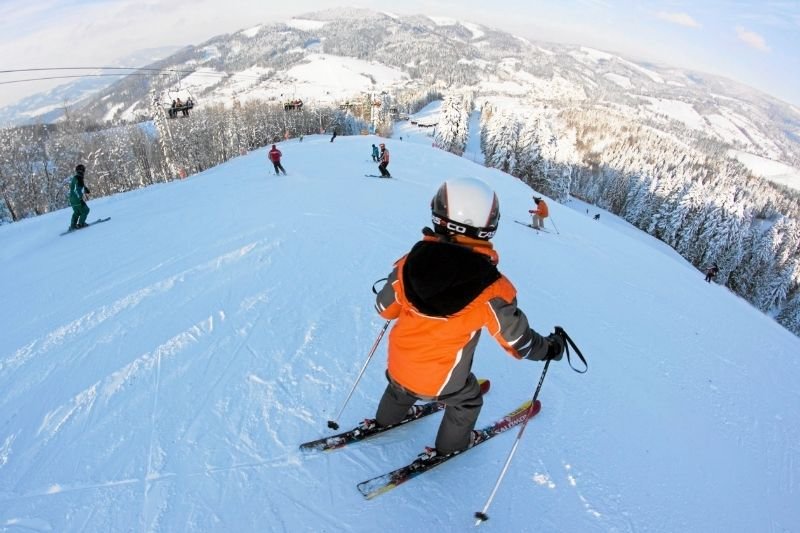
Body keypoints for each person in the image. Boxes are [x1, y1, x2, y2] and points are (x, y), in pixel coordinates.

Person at [371, 177, 565, 457]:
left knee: (400, 387)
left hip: (397, 367)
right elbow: (519, 343)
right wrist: (551, 348)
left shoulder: (409, 262)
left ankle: (385, 420)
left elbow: (383, 308)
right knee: (468, 399)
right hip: (443, 383)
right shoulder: (492, 289)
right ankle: (452, 445)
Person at [68, 164, 91, 230]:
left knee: (77, 212)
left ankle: (73, 225)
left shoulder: (75, 178)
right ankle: (81, 223)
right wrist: (80, 199)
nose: (84, 172)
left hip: (71, 198)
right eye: (84, 170)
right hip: (77, 198)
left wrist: (85, 189)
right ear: (82, 170)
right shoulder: (79, 178)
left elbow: (76, 187)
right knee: (86, 210)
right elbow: (77, 189)